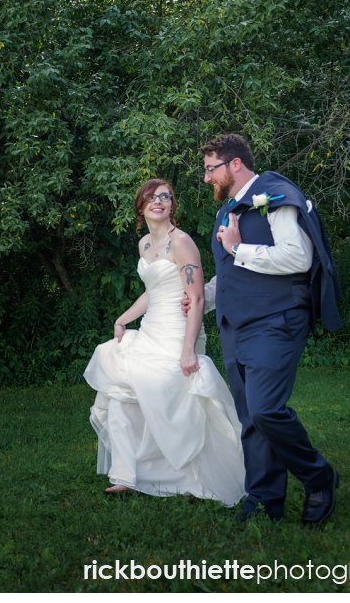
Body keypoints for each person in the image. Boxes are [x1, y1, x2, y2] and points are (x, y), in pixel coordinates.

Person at [197, 133, 342, 526]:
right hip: (235, 324)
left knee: (266, 410)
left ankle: (318, 477)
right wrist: (199, 300)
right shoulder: (228, 210)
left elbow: (298, 257)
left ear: (235, 164)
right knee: (251, 417)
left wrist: (237, 248)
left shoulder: (275, 197)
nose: (207, 178)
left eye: (211, 169)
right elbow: (231, 273)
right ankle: (264, 500)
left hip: (276, 319)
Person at [83, 179, 245, 506]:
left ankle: (192, 476)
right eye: (151, 197)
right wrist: (123, 318)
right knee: (121, 393)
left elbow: (196, 298)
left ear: (172, 205)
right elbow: (152, 291)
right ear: (141, 207)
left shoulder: (181, 243)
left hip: (178, 332)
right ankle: (126, 473)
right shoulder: (144, 244)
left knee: (176, 401)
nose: (158, 201)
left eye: (165, 197)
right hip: (151, 331)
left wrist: (188, 350)